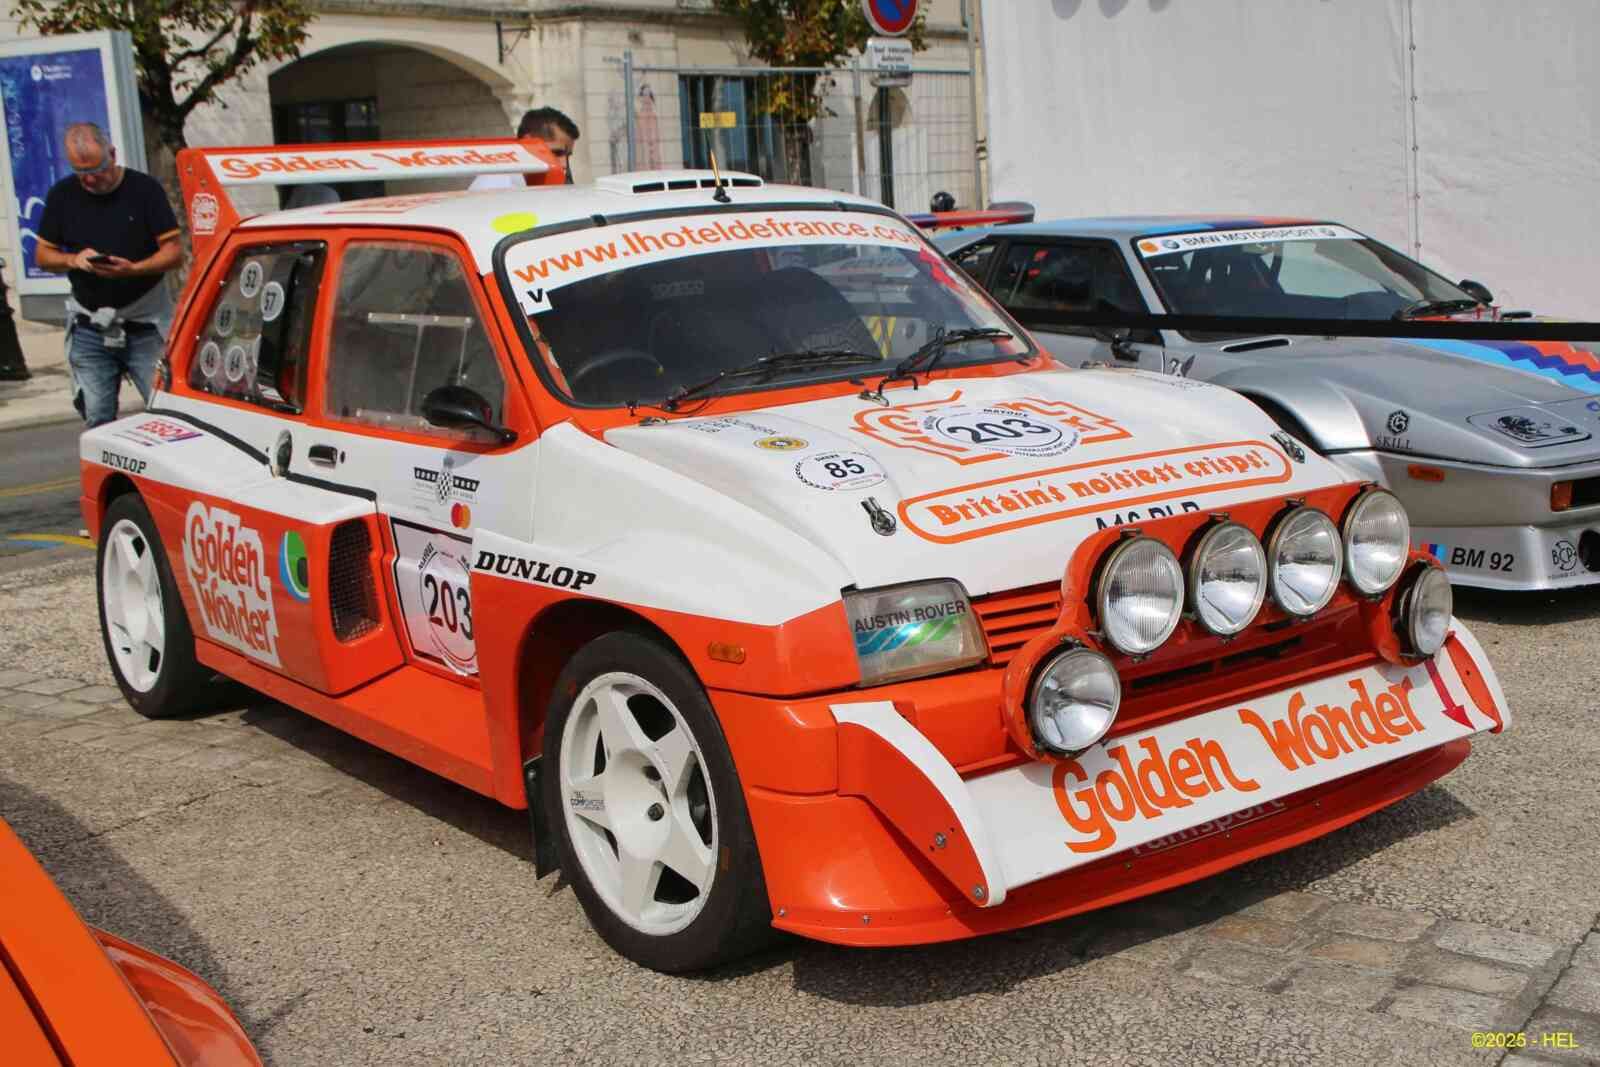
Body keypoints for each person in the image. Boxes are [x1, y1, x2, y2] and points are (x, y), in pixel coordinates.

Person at [34, 122, 180, 426]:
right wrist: (74, 260)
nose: (90, 179)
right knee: (97, 415)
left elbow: (173, 253)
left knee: (166, 409)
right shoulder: (62, 195)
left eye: (97, 169)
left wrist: (134, 269)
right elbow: (43, 255)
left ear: (112, 154)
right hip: (90, 324)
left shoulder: (144, 190)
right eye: (81, 172)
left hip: (145, 323)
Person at [470, 107, 580, 190]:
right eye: (557, 152)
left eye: (568, 155)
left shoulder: (539, 183)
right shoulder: (496, 186)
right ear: (528, 143)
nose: (564, 164)